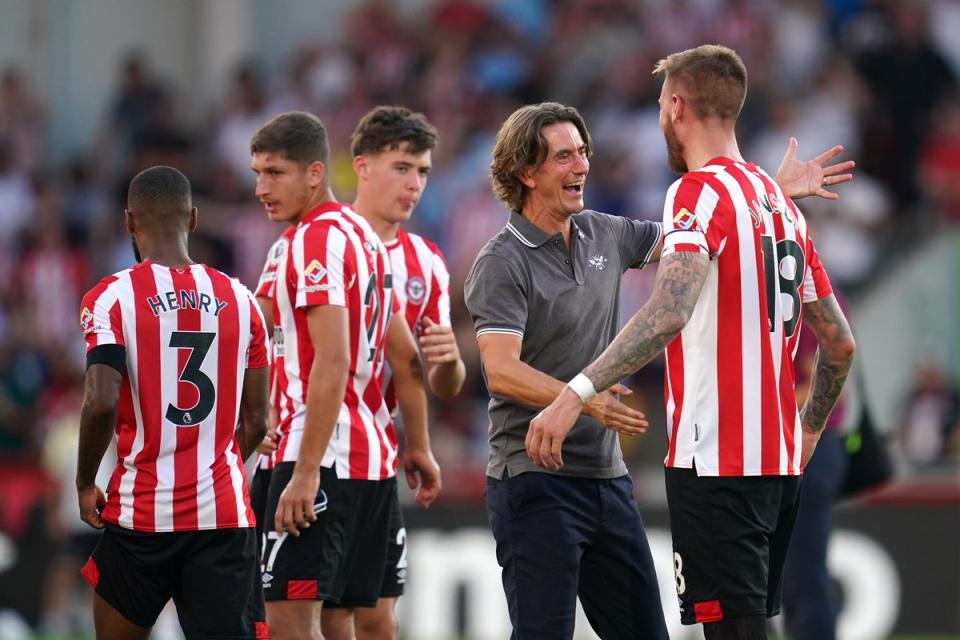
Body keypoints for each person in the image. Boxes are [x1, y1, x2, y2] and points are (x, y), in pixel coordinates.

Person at [463, 100, 847, 639]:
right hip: (534, 479)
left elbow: (701, 236)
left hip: (606, 479)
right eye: (563, 157)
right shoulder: (501, 261)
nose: (582, 166)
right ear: (525, 173)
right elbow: (500, 372)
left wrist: (769, 198)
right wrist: (585, 396)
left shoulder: (604, 232)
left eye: (583, 153)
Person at [249, 111, 441, 640]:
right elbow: (404, 355)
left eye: (274, 173)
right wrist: (417, 445)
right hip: (371, 463)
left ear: (315, 173)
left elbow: (330, 359)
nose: (262, 188)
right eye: (257, 173)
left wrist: (305, 472)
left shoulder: (312, 242)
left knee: (290, 623)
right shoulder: (367, 240)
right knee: (344, 625)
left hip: (317, 458)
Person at [76, 165, 269, 639]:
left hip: (141, 513)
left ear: (128, 222)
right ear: (195, 219)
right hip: (222, 515)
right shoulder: (243, 301)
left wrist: (84, 481)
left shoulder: (111, 299)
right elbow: (258, 420)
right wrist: (209, 467)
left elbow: (101, 402)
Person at [339, 105, 465, 639]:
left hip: (377, 455)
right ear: (362, 166)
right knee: (322, 613)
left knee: (377, 618)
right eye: (402, 167)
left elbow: (437, 380)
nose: (414, 184)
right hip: (317, 451)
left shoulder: (426, 262)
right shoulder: (323, 240)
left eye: (423, 172)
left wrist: (452, 361)